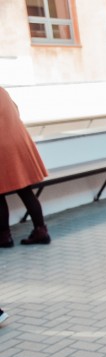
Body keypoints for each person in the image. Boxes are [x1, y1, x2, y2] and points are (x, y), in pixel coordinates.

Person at [0, 87, 50, 247]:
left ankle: (4, 237)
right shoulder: (2, 91)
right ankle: (41, 231)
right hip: (18, 142)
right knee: (26, 191)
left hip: (2, 147)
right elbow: (16, 110)